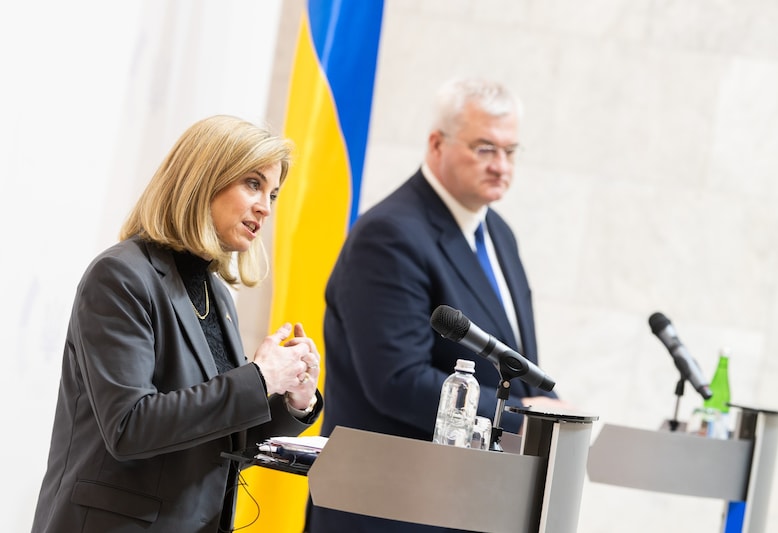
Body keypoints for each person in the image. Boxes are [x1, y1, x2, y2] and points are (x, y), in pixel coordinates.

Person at [31, 115, 323, 533]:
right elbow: (130, 426)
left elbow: (220, 431)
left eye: (273, 194)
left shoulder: (215, 292)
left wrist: (292, 397)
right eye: (253, 184)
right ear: (203, 179)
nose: (265, 206)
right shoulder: (121, 276)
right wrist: (258, 378)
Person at [308, 78, 568, 532]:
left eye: (511, 151)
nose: (501, 166)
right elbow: (397, 381)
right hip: (389, 507)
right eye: (485, 148)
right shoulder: (389, 236)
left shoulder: (499, 234)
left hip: (466, 502)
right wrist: (524, 420)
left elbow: (515, 362)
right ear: (436, 143)